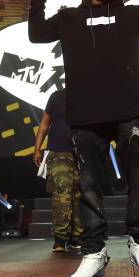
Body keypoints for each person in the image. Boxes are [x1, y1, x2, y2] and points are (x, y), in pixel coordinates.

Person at [29, 0, 139, 277]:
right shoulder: (69, 17)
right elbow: (36, 33)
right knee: (89, 187)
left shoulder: (131, 14)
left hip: (128, 112)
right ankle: (94, 252)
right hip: (86, 116)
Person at [33, 88, 83, 253]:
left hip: (81, 154)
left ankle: (76, 237)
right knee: (62, 194)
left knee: (78, 195)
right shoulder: (57, 96)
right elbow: (45, 123)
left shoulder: (87, 94)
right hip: (59, 152)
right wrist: (37, 149)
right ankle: (60, 239)